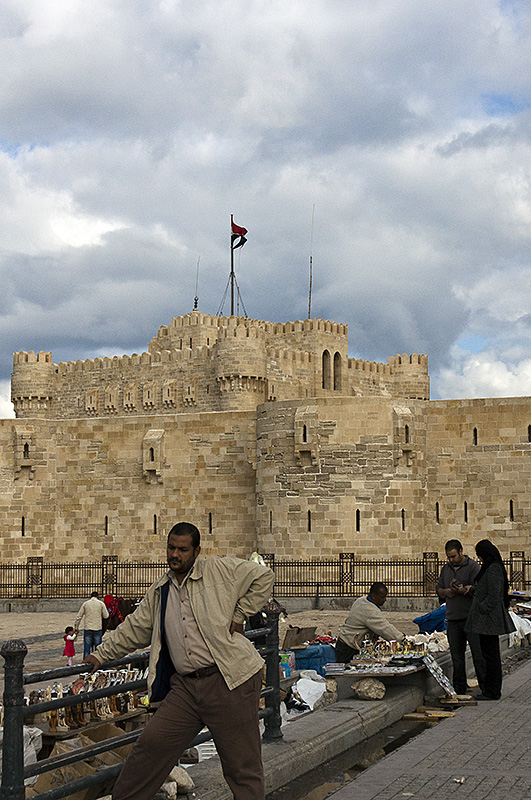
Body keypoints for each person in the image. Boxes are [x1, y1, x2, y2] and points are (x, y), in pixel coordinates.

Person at [84, 521, 275, 800]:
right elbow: (135, 628)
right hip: (186, 688)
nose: (175, 554)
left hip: (228, 681)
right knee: (150, 749)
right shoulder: (162, 589)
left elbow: (264, 577)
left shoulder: (219, 570)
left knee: (241, 768)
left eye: (182, 549)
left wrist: (240, 613)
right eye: (171, 548)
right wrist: (100, 654)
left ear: (197, 551)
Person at [464, 539, 516, 700]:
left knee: (491, 656)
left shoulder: (493, 568)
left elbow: (494, 595)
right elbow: (485, 589)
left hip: (488, 619)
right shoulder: (491, 567)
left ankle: (492, 691)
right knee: (489, 654)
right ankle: (490, 690)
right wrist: (472, 590)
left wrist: (482, 607)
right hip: (486, 618)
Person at [435, 539, 486, 695]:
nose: (451, 560)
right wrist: (446, 592)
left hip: (471, 618)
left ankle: (485, 688)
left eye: (453, 556)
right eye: (448, 557)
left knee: (477, 655)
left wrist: (465, 590)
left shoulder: (473, 567)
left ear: (461, 551)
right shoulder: (446, 569)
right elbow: (438, 589)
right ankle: (459, 688)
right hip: (453, 618)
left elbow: (480, 589)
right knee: (457, 657)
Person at [335, 582, 406, 663]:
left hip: (346, 643)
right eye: (382, 597)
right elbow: (384, 628)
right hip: (348, 648)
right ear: (374, 596)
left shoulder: (362, 600)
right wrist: (402, 639)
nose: (385, 599)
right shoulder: (368, 609)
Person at [74, 590, 109, 659]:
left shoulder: (86, 604)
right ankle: (97, 660)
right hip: (97, 628)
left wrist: (76, 626)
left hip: (88, 627)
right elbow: (106, 616)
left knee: (87, 647)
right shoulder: (101, 603)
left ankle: (86, 661)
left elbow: (79, 617)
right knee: (98, 647)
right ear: (97, 597)